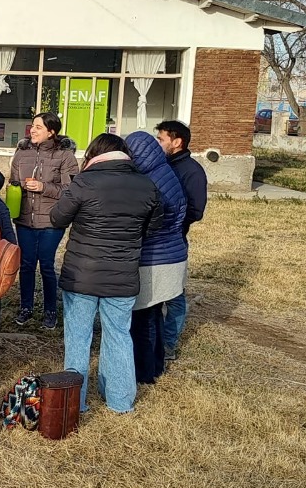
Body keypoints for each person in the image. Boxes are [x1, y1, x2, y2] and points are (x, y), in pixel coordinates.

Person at [50, 133, 162, 414]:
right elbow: (153, 227)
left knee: (78, 338)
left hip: (81, 275)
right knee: (119, 336)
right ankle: (120, 401)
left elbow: (57, 218)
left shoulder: (84, 183)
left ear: (94, 155)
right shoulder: (147, 185)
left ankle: (77, 402)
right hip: (123, 276)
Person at [125, 131, 187, 386]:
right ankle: (156, 365)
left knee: (144, 317)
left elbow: (147, 222)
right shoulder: (164, 171)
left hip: (154, 258)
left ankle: (145, 372)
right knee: (153, 316)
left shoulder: (149, 180)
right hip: (172, 254)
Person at [9, 112, 80, 329]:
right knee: (27, 265)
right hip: (24, 220)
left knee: (47, 265)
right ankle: (26, 307)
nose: (33, 130)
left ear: (51, 132)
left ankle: (50, 310)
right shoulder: (21, 153)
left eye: (38, 127)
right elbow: (12, 181)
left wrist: (44, 187)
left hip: (51, 221)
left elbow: (72, 190)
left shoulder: (65, 156)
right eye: (32, 126)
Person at [155, 120, 208, 361]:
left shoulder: (192, 171)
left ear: (177, 142)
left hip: (174, 241)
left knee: (175, 296)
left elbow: (196, 210)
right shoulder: (158, 165)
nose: (158, 143)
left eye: (161, 139)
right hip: (153, 243)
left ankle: (168, 344)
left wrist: (172, 222)